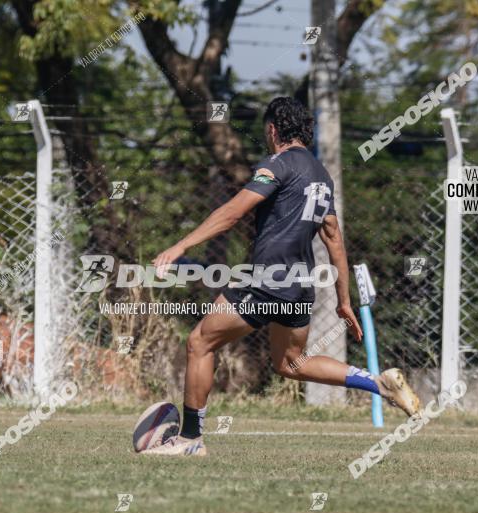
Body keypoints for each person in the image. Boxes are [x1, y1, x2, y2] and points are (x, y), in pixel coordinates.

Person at [146, 97, 420, 457]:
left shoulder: (278, 164)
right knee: (291, 363)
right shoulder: (321, 175)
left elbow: (232, 213)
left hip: (267, 278)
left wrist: (179, 246)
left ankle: (190, 440)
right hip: (302, 285)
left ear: (273, 130)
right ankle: (378, 384)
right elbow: (334, 239)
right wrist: (343, 302)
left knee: (200, 342)